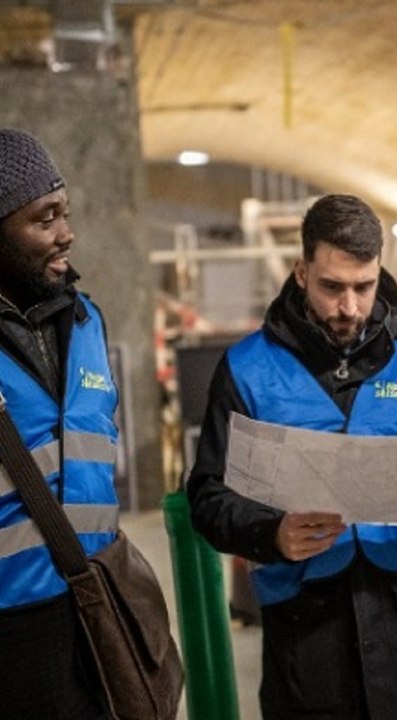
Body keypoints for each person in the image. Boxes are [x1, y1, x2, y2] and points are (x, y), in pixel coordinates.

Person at [187, 193, 397, 720]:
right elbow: (209, 496)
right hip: (309, 643)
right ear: (301, 272)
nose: (349, 307)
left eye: (363, 287)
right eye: (332, 287)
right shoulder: (246, 369)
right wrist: (271, 533)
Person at [0, 129, 120, 718]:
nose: (66, 233)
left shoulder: (86, 320)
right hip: (11, 627)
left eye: (65, 214)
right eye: (45, 219)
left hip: (97, 600)